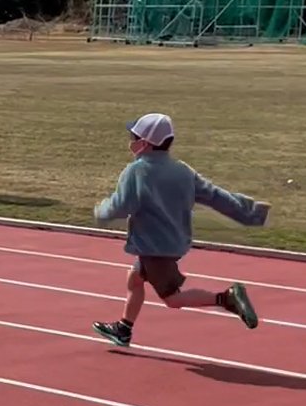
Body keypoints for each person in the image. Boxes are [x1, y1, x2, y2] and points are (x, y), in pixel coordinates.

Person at [90, 112, 268, 347]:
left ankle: (226, 298)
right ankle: (124, 328)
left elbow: (122, 205)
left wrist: (102, 211)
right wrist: (249, 212)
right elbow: (214, 195)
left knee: (172, 299)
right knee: (134, 279)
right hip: (174, 242)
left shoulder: (136, 172)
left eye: (133, 137)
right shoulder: (183, 171)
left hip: (155, 247)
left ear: (143, 143)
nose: (130, 141)